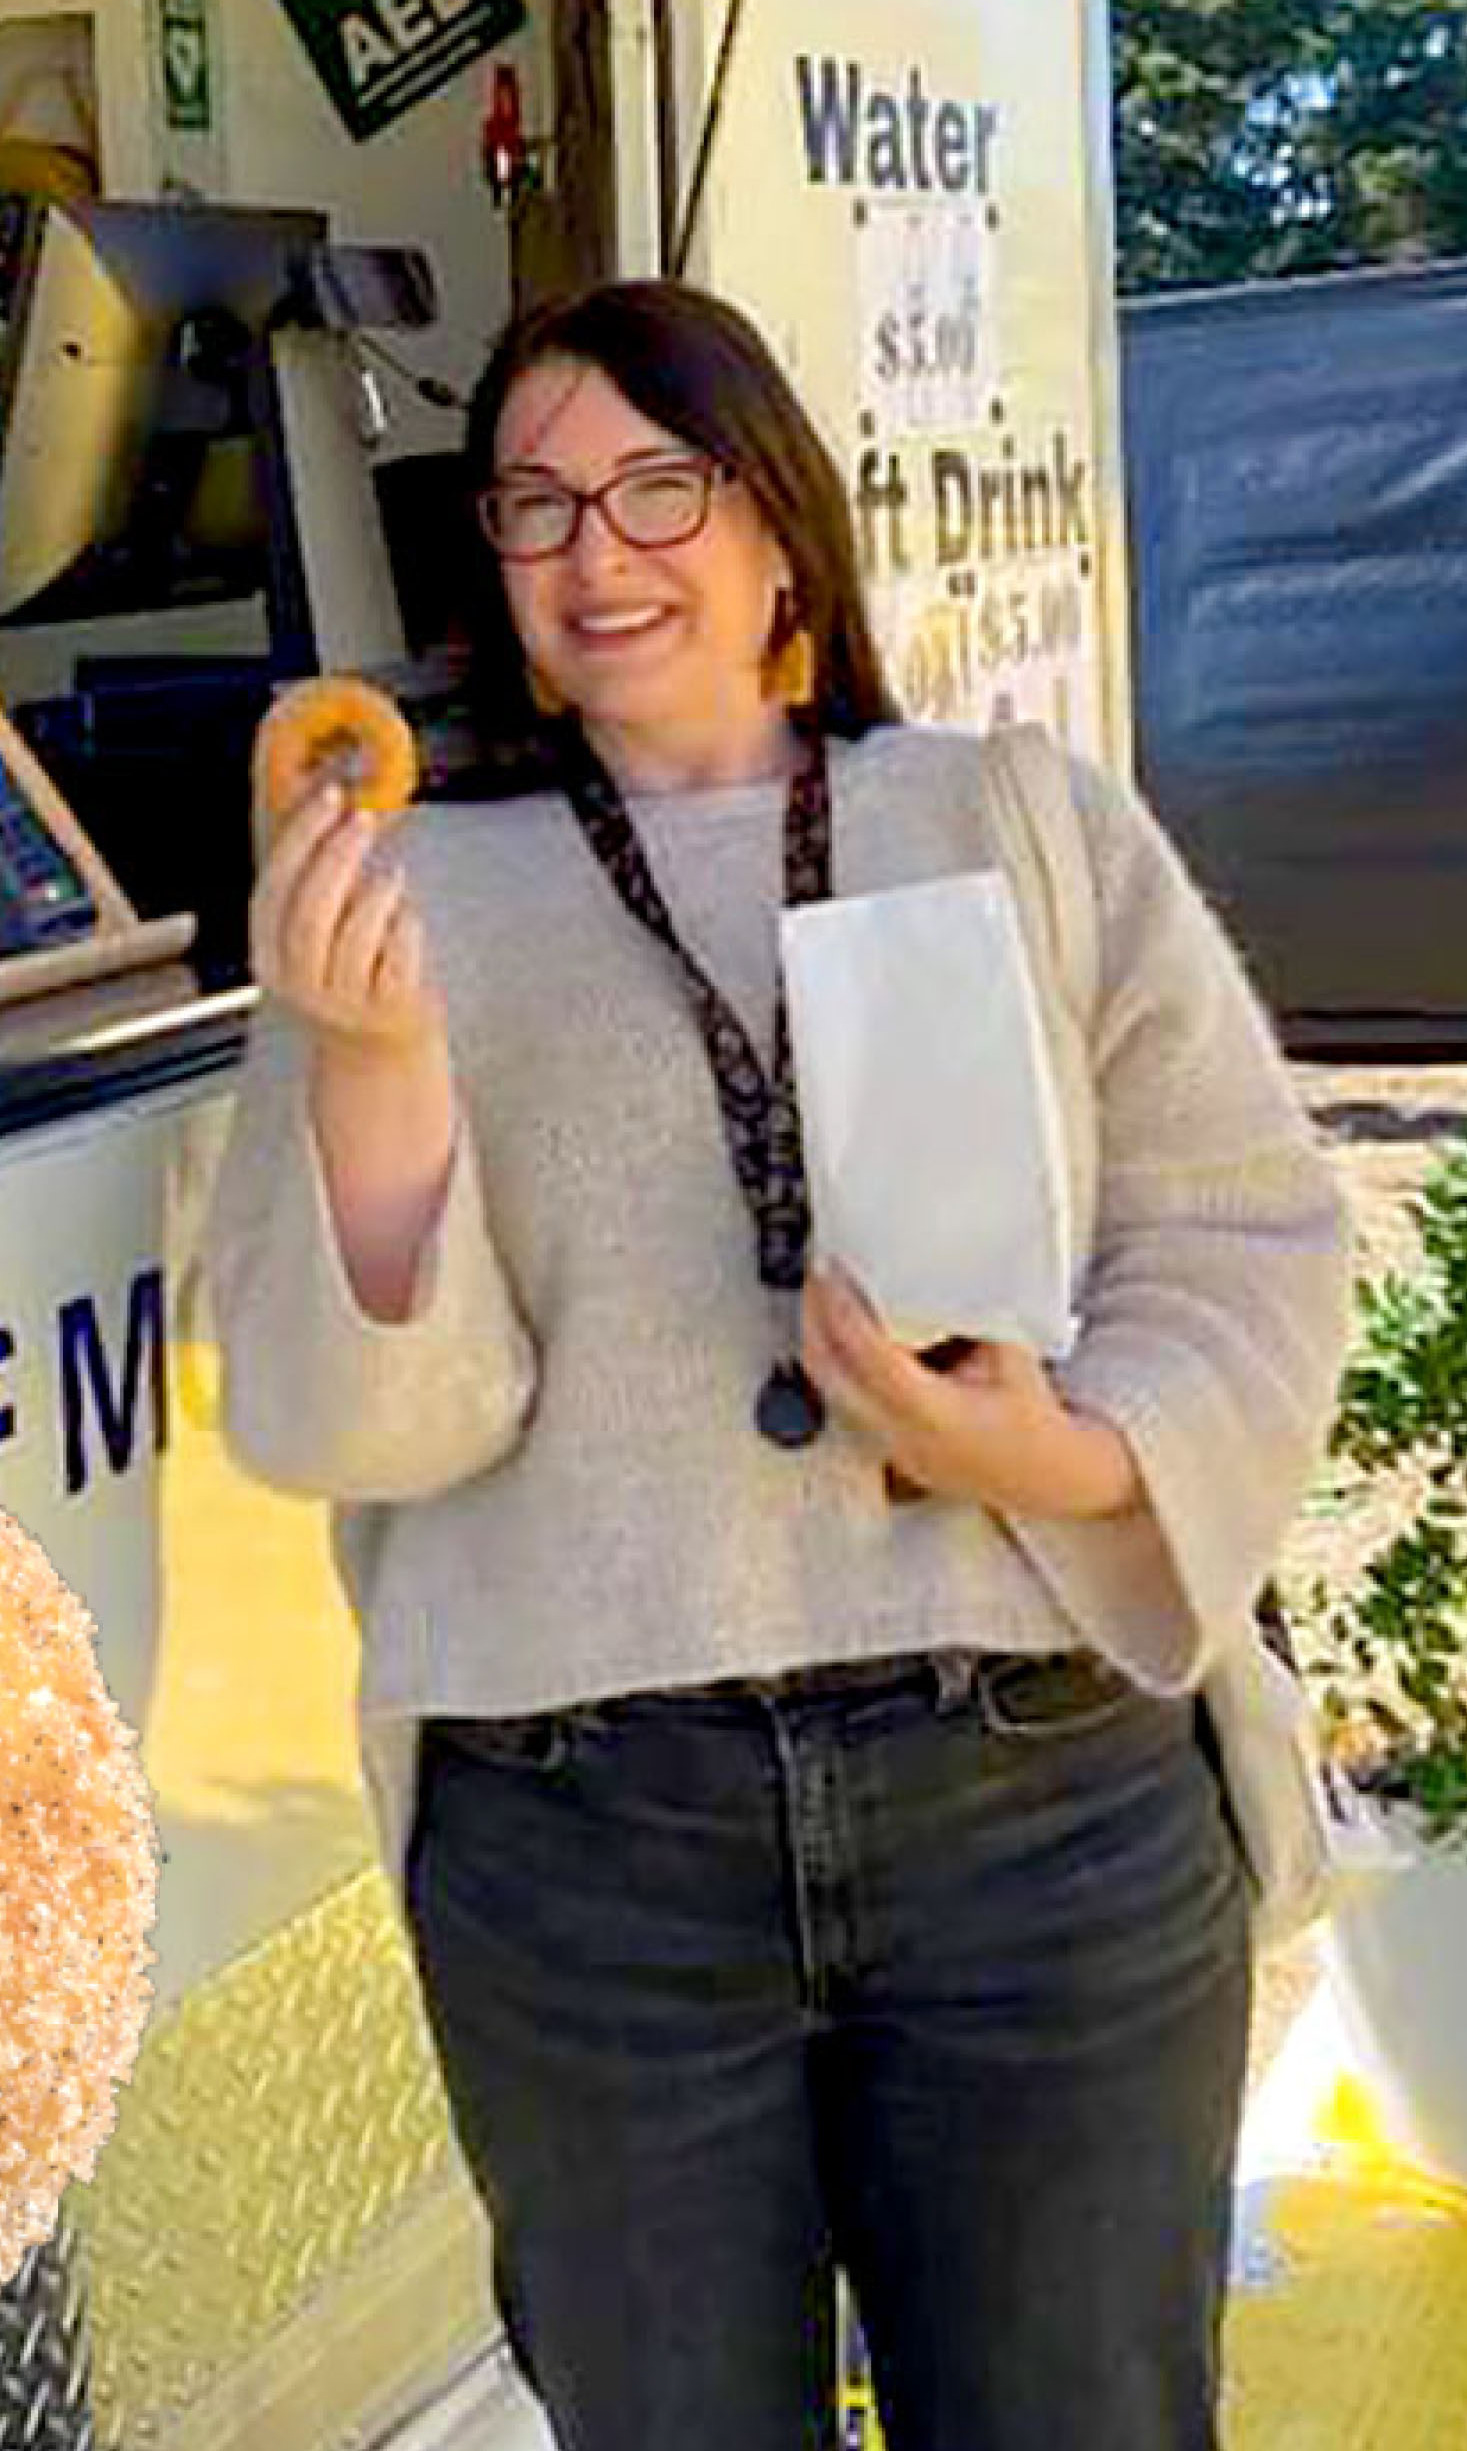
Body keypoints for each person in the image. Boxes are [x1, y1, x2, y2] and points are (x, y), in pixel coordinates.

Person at [204, 279, 1349, 2451]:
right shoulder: (391, 894)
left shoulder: (1019, 816)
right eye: (531, 505)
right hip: (585, 1848)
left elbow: (1246, 1232)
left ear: (778, 524)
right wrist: (369, 1072)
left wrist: (1086, 1447)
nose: (595, 549)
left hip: (1038, 1794)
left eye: (659, 482)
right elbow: (360, 1425)